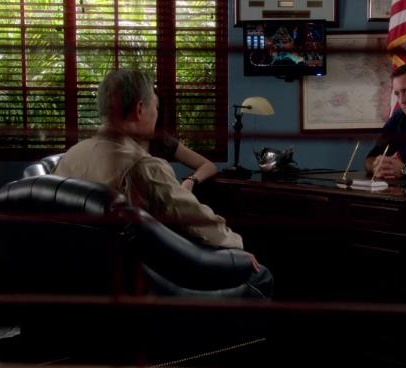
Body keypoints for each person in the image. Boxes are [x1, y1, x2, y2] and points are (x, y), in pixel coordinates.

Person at [53, 68, 273, 298]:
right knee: (260, 276)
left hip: (82, 280)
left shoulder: (71, 156)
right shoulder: (142, 166)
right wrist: (237, 248)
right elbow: (196, 221)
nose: (156, 114)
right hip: (144, 284)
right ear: (140, 109)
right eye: (155, 107)